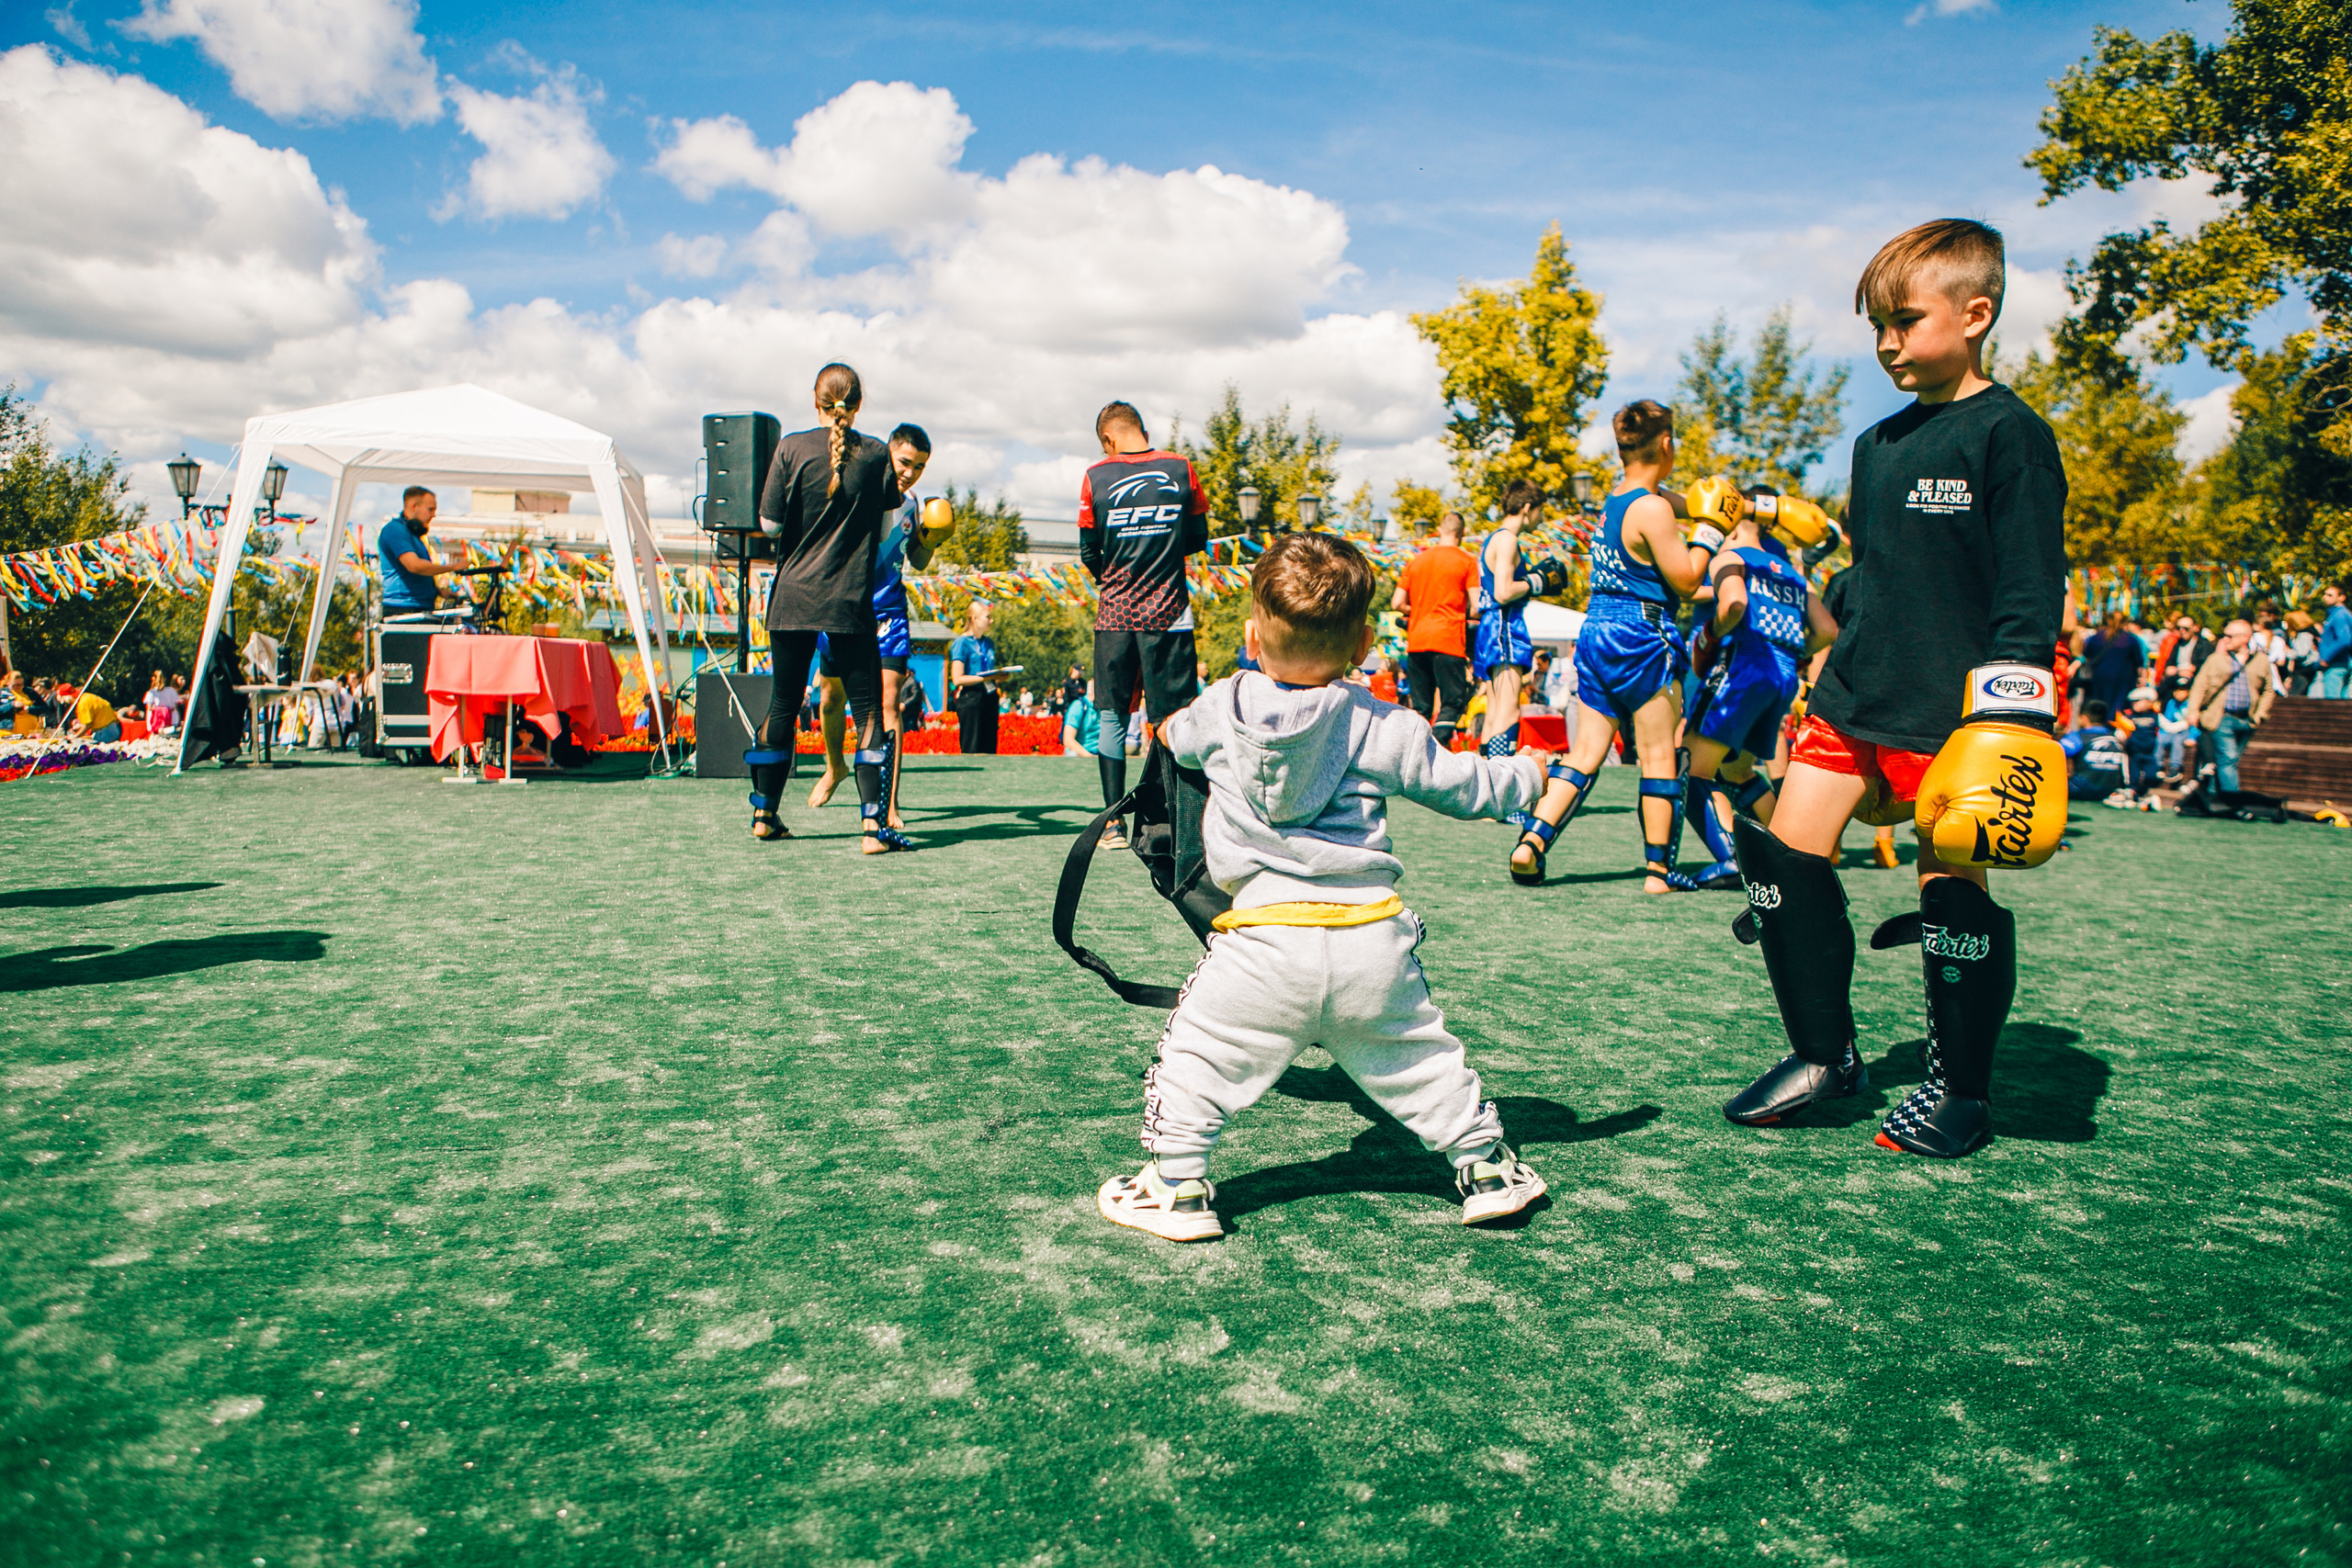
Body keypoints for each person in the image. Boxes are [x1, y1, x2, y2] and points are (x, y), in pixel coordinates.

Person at [1713, 218, 2069, 1160]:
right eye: (1875, 324)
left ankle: (1960, 1094)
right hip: (1854, 694)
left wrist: (2010, 718)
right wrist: (1823, 657)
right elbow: (1870, 577)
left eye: (1904, 321)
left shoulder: (2010, 436)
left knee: (1949, 888)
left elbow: (2031, 589)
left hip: (1955, 716)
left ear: (1976, 313)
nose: (1885, 342)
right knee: (1784, 863)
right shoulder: (1874, 445)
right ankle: (1823, 1059)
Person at [1094, 533, 1550, 1242]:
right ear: (1365, 641)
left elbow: (1174, 737)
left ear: (1251, 636)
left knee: (1195, 1055)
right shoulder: (1382, 723)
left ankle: (1176, 1187)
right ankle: (1486, 1167)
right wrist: (1527, 774)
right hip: (1372, 942)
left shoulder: (1217, 709)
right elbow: (1467, 788)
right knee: (1423, 1059)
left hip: (1263, 943)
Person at [1507, 402, 1714, 891]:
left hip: (1597, 631)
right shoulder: (1653, 508)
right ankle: (1658, 873)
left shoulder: (1617, 500)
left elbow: (1668, 499)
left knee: (1585, 752)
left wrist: (1704, 502)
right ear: (1667, 445)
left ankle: (1530, 844)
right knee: (1660, 754)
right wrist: (1712, 532)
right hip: (1643, 635)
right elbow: (1686, 580)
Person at [746, 362, 910, 853]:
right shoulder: (878, 454)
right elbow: (883, 533)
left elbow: (770, 526)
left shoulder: (791, 448)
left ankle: (764, 815)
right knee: (869, 716)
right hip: (848, 602)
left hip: (792, 598)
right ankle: (871, 829)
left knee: (782, 703)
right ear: (858, 405)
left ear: (814, 400)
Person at [1681, 492, 1840, 886]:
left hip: (1742, 666)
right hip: (1782, 674)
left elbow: (1733, 604)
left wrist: (1709, 638)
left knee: (1690, 768)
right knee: (1738, 770)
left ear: (1730, 524)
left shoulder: (1729, 557)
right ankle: (1792, 855)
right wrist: (1793, 653)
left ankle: (1733, 858)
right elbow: (1827, 630)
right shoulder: (1791, 572)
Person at [1078, 400, 1211, 852]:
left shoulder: (1096, 476)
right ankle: (1175, 824)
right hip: (1170, 612)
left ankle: (1111, 827)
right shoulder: (1181, 468)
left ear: (1108, 440)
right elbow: (1197, 537)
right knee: (1172, 720)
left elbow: (1088, 550)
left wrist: (1117, 577)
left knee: (1112, 716)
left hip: (1114, 614)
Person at [805, 424, 937, 829]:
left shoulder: (914, 505)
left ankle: (887, 802)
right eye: (905, 462)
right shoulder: (858, 488)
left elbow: (917, 560)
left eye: (920, 467)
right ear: (888, 455)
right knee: (829, 699)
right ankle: (835, 767)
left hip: (889, 612)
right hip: (843, 606)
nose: (911, 473)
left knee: (889, 703)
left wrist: (934, 539)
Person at [1393, 510, 1480, 747]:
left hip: (1417, 641)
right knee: (1453, 701)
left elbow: (1397, 603)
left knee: (1421, 707)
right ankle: (1438, 745)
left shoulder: (1415, 561)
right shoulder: (1467, 561)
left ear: (1439, 531)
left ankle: (1414, 753)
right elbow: (1476, 608)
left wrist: (1422, 608)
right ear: (1462, 533)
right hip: (1448, 640)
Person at [2186, 618, 2274, 792]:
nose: (2224, 639)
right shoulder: (2216, 659)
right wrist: (2193, 711)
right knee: (2228, 758)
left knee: (2228, 761)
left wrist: (2259, 715)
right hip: (2221, 717)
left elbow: (2268, 690)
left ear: (2245, 638)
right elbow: (2199, 686)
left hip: (2246, 719)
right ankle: (2232, 801)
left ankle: (2213, 797)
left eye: (2229, 636)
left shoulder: (2260, 660)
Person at [376, 487, 467, 615]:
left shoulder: (412, 535)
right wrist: (454, 567)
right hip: (403, 610)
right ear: (414, 506)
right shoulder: (395, 530)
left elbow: (415, 576)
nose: (434, 515)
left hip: (419, 608)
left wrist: (438, 592)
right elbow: (415, 566)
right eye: (430, 509)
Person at [949, 599, 1012, 755]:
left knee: (990, 747)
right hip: (971, 698)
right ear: (974, 619)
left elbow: (988, 671)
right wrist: (985, 678)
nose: (991, 621)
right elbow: (957, 679)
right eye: (987, 617)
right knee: (972, 746)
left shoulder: (989, 643)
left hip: (990, 697)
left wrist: (1000, 676)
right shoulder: (962, 643)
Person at [2078, 611, 2147, 720]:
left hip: (2099, 677)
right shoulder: (2131, 640)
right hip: (2123, 678)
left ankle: (2098, 722)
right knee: (2118, 705)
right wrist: (2141, 678)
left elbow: (2086, 655)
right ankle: (2113, 725)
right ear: (2125, 623)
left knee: (2099, 701)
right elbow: (2138, 662)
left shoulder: (2096, 637)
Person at [2060, 700, 2129, 798]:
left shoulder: (2078, 737)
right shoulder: (2116, 738)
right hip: (2109, 791)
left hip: (2080, 790)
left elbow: (2057, 752)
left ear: (2083, 718)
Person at [2154, 614, 2211, 701]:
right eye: (2179, 628)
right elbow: (2169, 666)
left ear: (2195, 628)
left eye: (2186, 628)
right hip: (2176, 680)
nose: (2182, 631)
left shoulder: (2204, 645)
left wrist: (2190, 669)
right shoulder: (2177, 644)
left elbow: (2203, 666)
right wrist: (2180, 671)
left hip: (2195, 683)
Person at [2313, 584, 2351, 698]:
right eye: (2324, 594)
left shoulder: (2339, 615)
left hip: (2337, 664)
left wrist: (2327, 657)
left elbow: (2344, 639)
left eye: (2330, 595)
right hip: (2343, 661)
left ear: (2341, 597)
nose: (2325, 597)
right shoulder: (2340, 614)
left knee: (2333, 703)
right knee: (2345, 702)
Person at [2155, 683, 2194, 782]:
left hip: (2186, 731)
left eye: (2182, 690)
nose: (2179, 693)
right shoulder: (2171, 703)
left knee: (2177, 741)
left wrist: (2193, 737)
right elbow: (2168, 720)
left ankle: (2175, 767)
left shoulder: (2191, 704)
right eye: (2177, 690)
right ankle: (2158, 765)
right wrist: (2163, 733)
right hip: (2172, 729)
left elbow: (2194, 723)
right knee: (2160, 739)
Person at [1061, 679, 1099, 757]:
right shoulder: (1078, 706)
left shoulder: (1105, 710)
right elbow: (1068, 740)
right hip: (1081, 755)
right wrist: (1090, 757)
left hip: (1100, 755)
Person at [142, 670, 179, 735]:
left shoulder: (151, 693)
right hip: (164, 721)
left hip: (164, 721)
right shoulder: (152, 693)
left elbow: (149, 708)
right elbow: (175, 705)